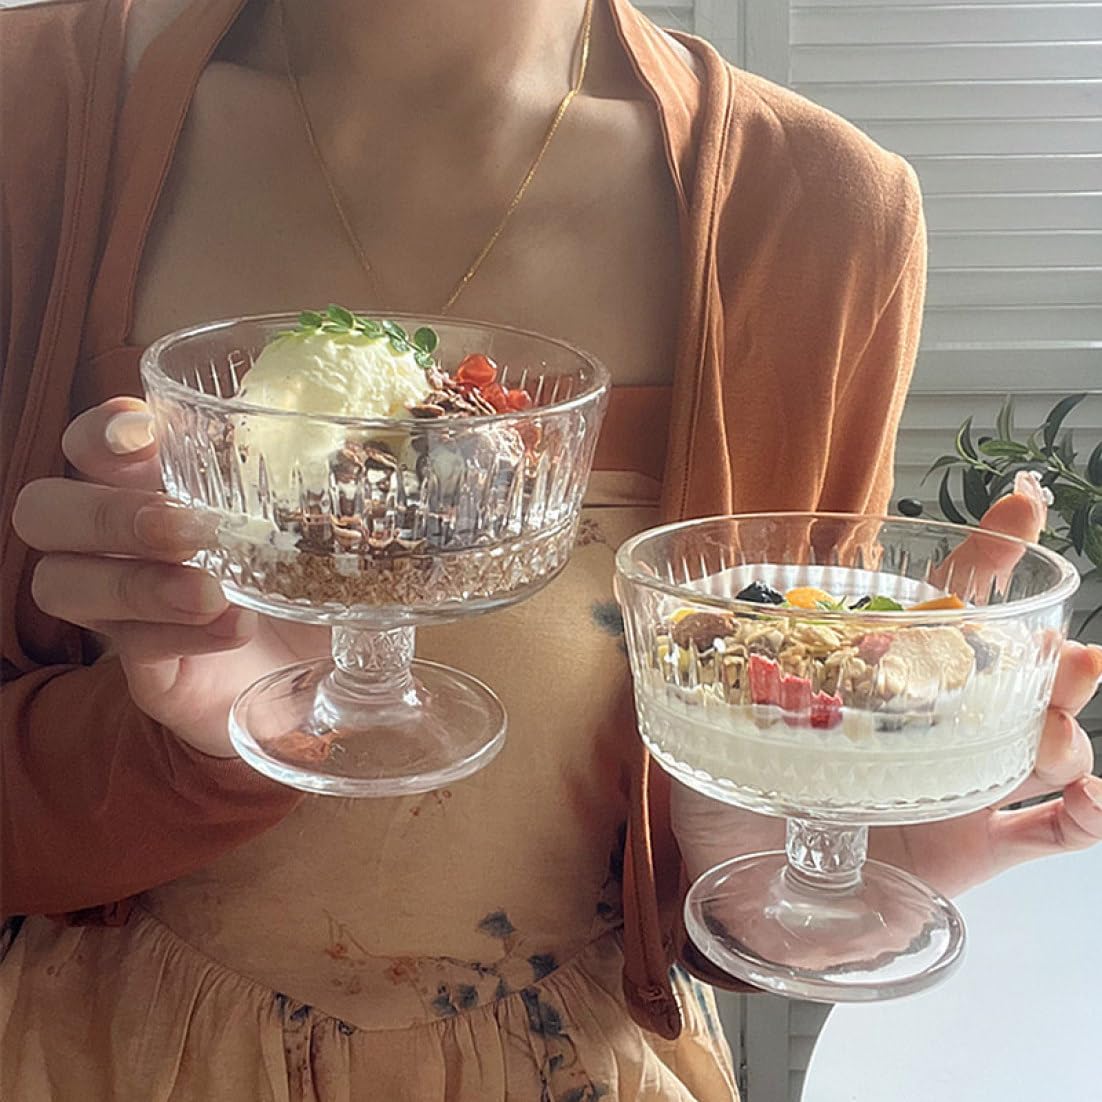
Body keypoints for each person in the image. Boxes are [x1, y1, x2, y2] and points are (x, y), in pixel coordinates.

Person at [2, 1, 1100, 1098]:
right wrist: (175, 758)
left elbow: (693, 857)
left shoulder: (822, 212)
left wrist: (804, 848)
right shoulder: (29, 111)